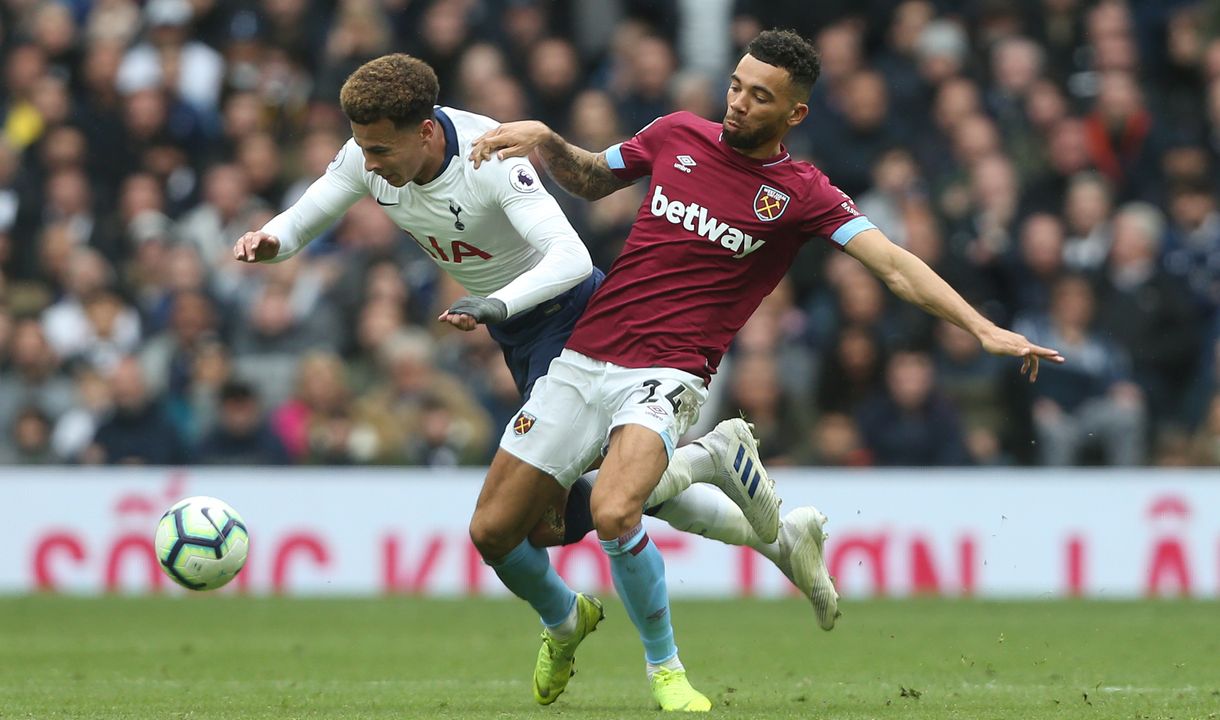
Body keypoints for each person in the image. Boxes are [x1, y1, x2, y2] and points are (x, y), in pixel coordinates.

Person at [469, 29, 1064, 711]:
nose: (739, 104)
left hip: (668, 374)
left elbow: (894, 265)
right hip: (583, 358)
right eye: (736, 87)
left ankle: (665, 670)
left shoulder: (800, 193)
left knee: (613, 510)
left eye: (760, 97)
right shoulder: (675, 133)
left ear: (795, 114)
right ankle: (607, 582)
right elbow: (594, 178)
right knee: (494, 532)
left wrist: (983, 327)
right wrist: (545, 137)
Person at [230, 52, 833, 694]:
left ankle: (701, 490)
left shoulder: (492, 160)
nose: (367, 164)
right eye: (362, 150)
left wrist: (498, 303)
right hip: (515, 334)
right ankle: (717, 548)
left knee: (571, 515)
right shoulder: (369, 151)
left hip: (572, 322)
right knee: (581, 504)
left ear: (427, 131)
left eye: (379, 150)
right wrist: (273, 239)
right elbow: (312, 209)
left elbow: (571, 259)